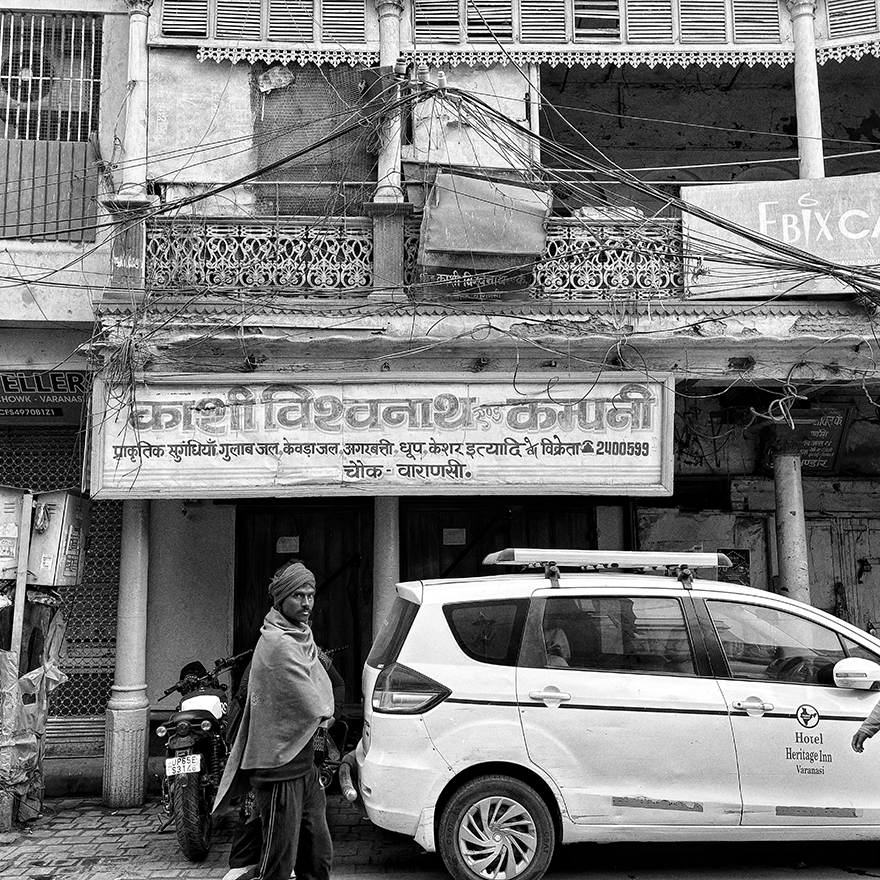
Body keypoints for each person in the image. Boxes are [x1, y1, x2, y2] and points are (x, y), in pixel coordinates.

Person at [215, 561, 335, 880]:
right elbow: (313, 704)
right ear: (281, 600)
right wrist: (326, 712)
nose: (307, 603)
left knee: (318, 856)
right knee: (278, 864)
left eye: (311, 595)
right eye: (298, 595)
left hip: (306, 764)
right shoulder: (278, 644)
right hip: (281, 769)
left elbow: (319, 687)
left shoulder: (300, 636)